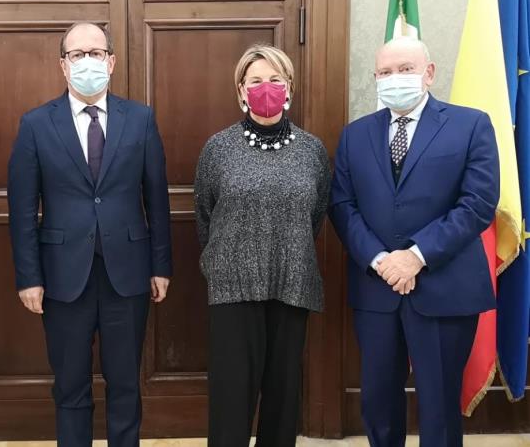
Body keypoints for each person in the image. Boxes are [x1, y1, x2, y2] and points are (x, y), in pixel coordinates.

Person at [7, 22, 172, 446]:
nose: (86, 62)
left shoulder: (140, 119)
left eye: (95, 53)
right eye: (76, 54)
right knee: (70, 386)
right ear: (63, 66)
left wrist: (161, 266)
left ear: (111, 62)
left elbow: (157, 198)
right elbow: (23, 209)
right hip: (63, 277)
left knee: (125, 384)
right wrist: (29, 277)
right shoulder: (36, 124)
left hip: (128, 274)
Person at [330, 37, 499, 447]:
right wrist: (380, 259)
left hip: (444, 287)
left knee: (440, 406)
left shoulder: (471, 124)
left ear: (429, 72)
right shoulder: (355, 136)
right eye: (385, 73)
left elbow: (477, 204)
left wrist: (416, 257)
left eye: (405, 69)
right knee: (378, 402)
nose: (394, 79)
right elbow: (342, 205)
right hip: (377, 288)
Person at [193, 44, 330, 447]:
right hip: (233, 288)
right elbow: (204, 214)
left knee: (283, 399)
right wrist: (229, 259)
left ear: (289, 88)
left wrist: (284, 249)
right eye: (255, 81)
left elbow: (316, 214)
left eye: (275, 80)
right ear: (240, 90)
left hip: (292, 284)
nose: (265, 88)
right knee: (231, 399)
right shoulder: (218, 148)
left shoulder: (312, 150)